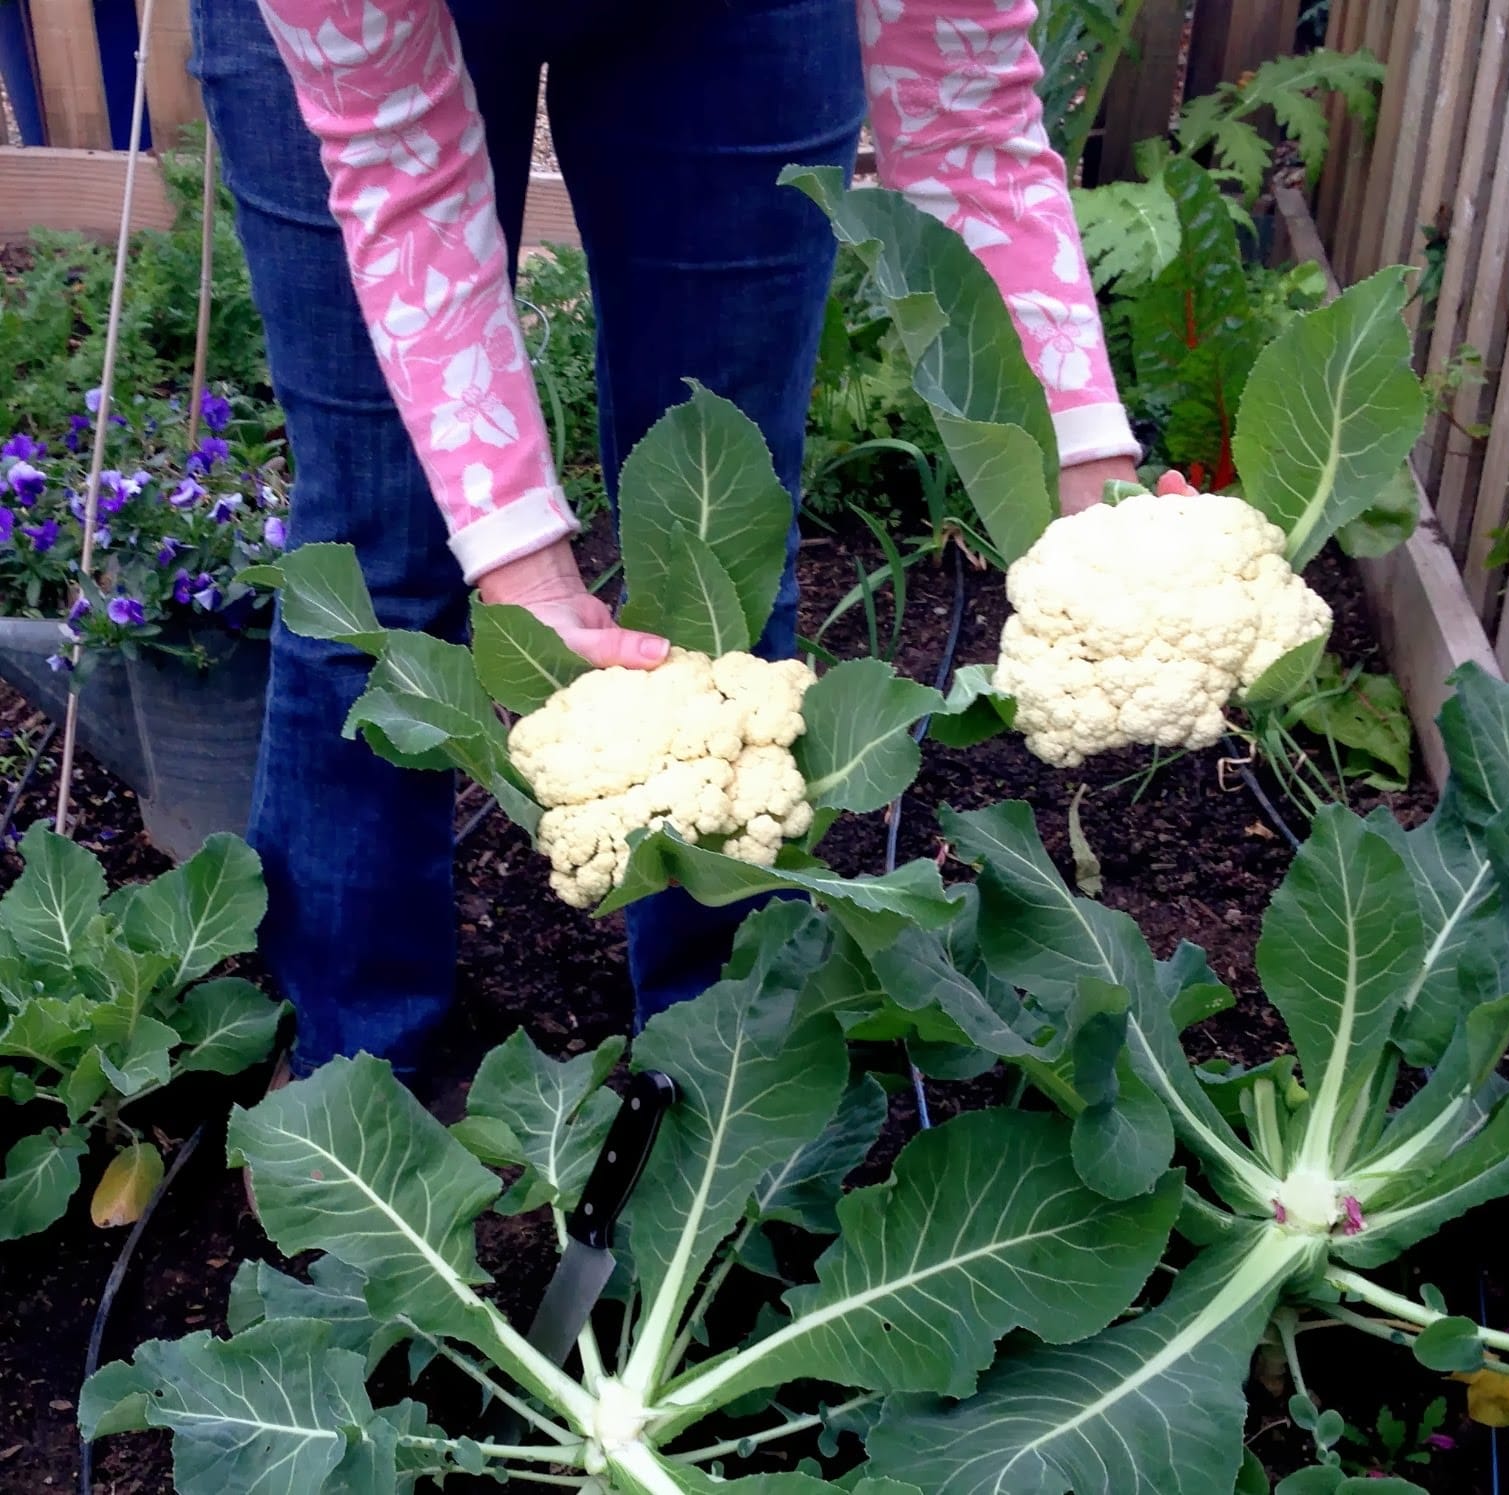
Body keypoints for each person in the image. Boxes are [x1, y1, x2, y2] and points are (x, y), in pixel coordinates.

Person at [190, 0, 1167, 1086]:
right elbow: (397, 161)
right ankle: (352, 1074)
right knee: (380, 559)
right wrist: (520, 565)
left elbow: (965, 106)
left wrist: (1087, 473)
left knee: (724, 553)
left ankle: (722, 1071)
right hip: (361, 44)